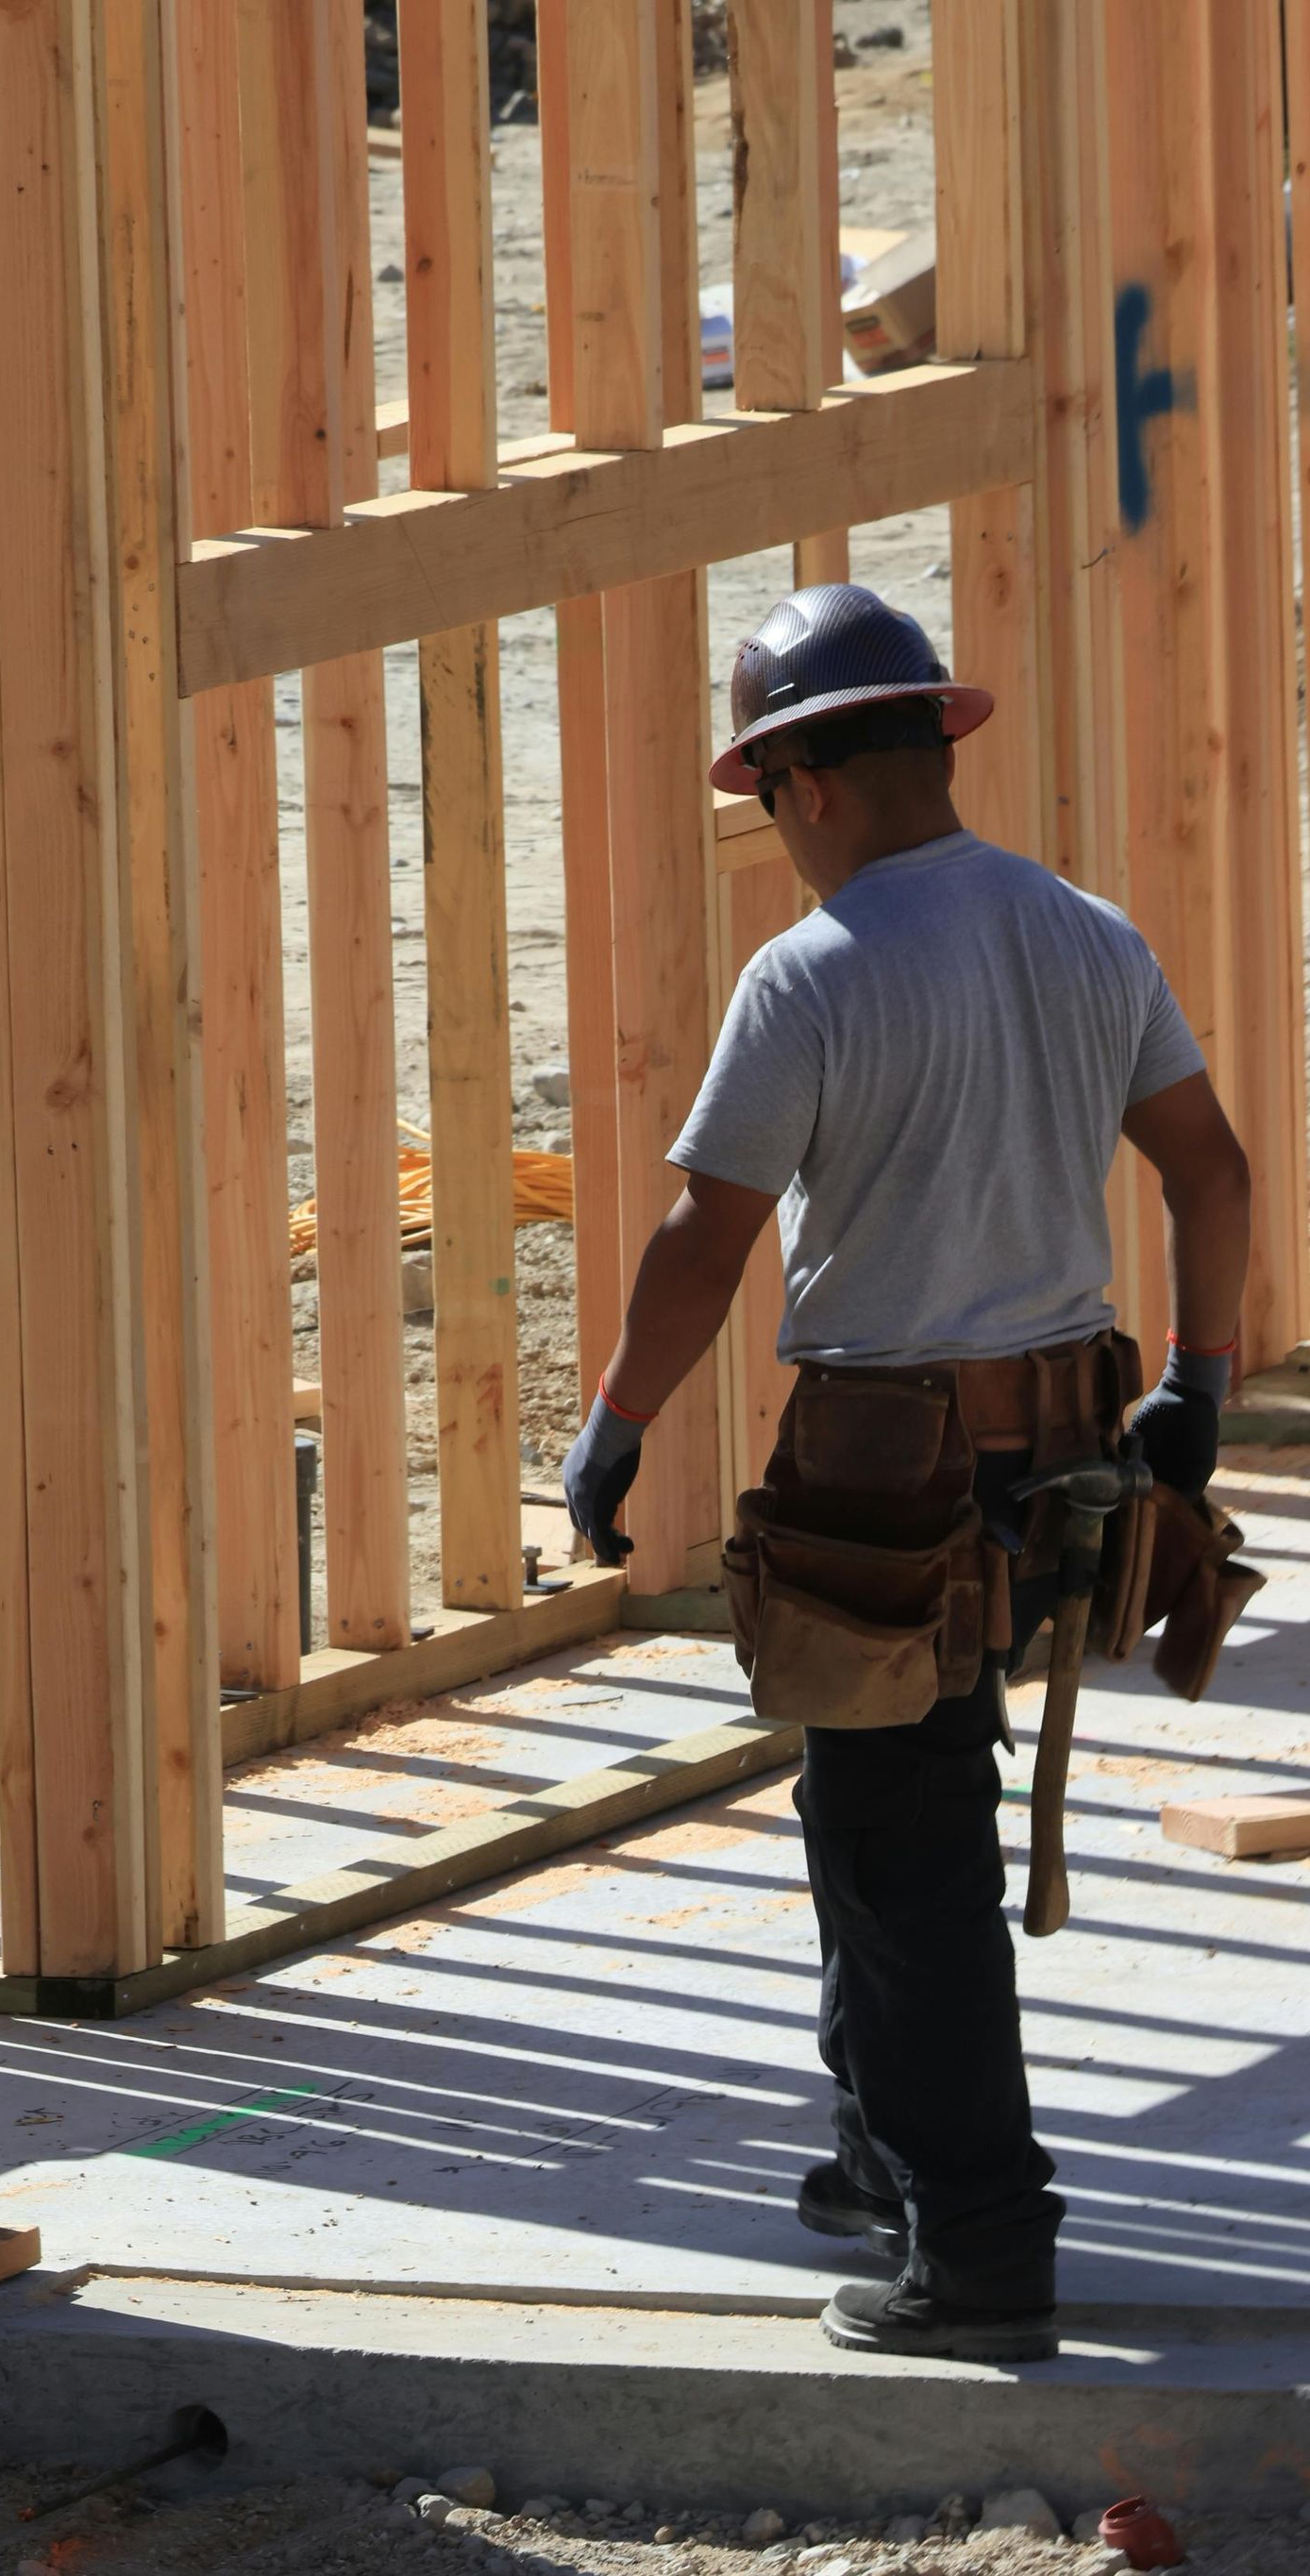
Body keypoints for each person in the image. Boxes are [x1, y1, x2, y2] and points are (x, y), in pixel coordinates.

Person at [562, 582, 1253, 2364]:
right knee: (885, 1810)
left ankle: (982, 2248)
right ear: (928, 742)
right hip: (1067, 1458)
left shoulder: (813, 974)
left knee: (902, 1852)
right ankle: (882, 2153)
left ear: (801, 786)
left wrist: (620, 1420)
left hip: (888, 1480)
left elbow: (705, 1241)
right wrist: (1197, 1386)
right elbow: (1212, 1169)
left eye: (765, 808)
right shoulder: (1086, 932)